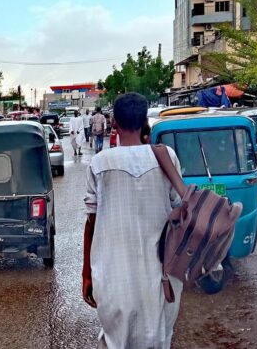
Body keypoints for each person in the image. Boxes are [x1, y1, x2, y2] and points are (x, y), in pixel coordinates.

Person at [83, 92, 183, 349]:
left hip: (113, 274)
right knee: (159, 337)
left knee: (117, 339)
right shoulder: (167, 157)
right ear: (144, 121)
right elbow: (178, 209)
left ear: (114, 123)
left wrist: (86, 275)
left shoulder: (99, 163)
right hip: (162, 273)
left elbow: (91, 223)